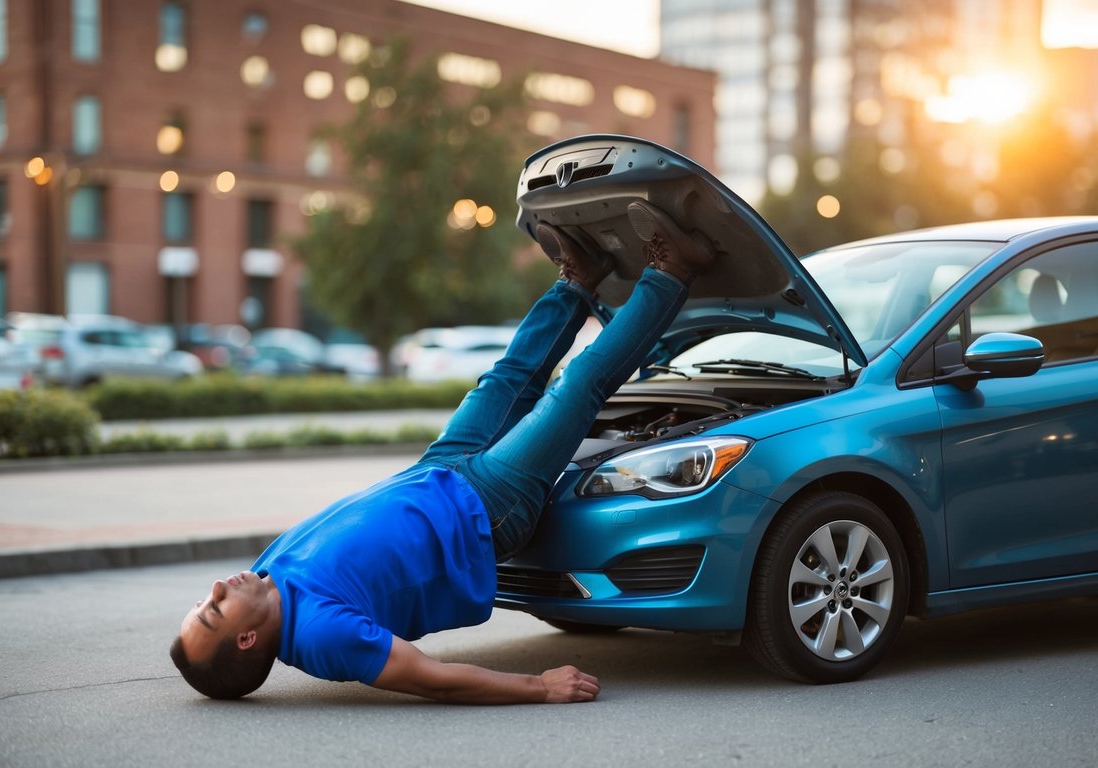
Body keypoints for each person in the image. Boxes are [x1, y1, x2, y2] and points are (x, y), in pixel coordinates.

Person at [169, 201, 715, 704]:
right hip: (485, 511)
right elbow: (426, 675)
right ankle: (673, 271)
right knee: (577, 386)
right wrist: (538, 686)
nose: (216, 588)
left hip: (439, 470)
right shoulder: (319, 634)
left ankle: (579, 283)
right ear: (245, 638)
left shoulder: (265, 576)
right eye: (214, 609)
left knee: (507, 378)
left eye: (205, 599)